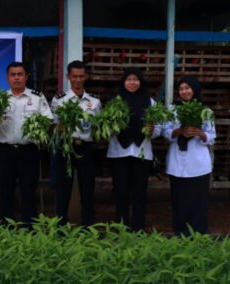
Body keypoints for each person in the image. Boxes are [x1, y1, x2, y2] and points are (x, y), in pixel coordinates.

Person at [0, 61, 53, 226]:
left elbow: (48, 121)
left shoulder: (37, 97)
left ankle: (30, 230)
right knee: (5, 192)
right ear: (7, 78)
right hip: (5, 151)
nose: (16, 78)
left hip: (29, 151)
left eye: (20, 74)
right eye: (13, 75)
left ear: (27, 77)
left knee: (28, 191)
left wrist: (38, 125)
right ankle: (6, 228)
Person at [107, 67, 161, 231]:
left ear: (141, 81)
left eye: (135, 79)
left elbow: (159, 129)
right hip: (119, 153)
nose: (132, 83)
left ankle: (138, 227)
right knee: (121, 192)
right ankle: (121, 226)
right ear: (123, 82)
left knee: (140, 193)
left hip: (141, 153)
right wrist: (113, 128)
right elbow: (105, 129)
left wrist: (152, 130)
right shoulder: (114, 101)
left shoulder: (150, 102)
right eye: (128, 79)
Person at [50, 60, 101, 226]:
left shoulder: (94, 102)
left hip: (86, 147)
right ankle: (61, 227)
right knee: (63, 188)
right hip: (66, 147)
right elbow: (52, 127)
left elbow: (98, 127)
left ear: (86, 77)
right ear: (68, 77)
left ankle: (88, 227)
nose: (78, 80)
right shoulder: (59, 100)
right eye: (74, 76)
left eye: (81, 76)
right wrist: (60, 128)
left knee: (88, 189)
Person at [163, 76, 216, 236]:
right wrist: (178, 131)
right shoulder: (172, 110)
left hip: (198, 162)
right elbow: (165, 132)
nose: (184, 91)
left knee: (198, 200)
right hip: (177, 160)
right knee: (179, 199)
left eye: (187, 88)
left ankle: (198, 231)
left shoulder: (205, 111)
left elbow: (212, 135)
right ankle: (180, 230)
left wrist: (200, 133)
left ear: (195, 89)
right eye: (181, 89)